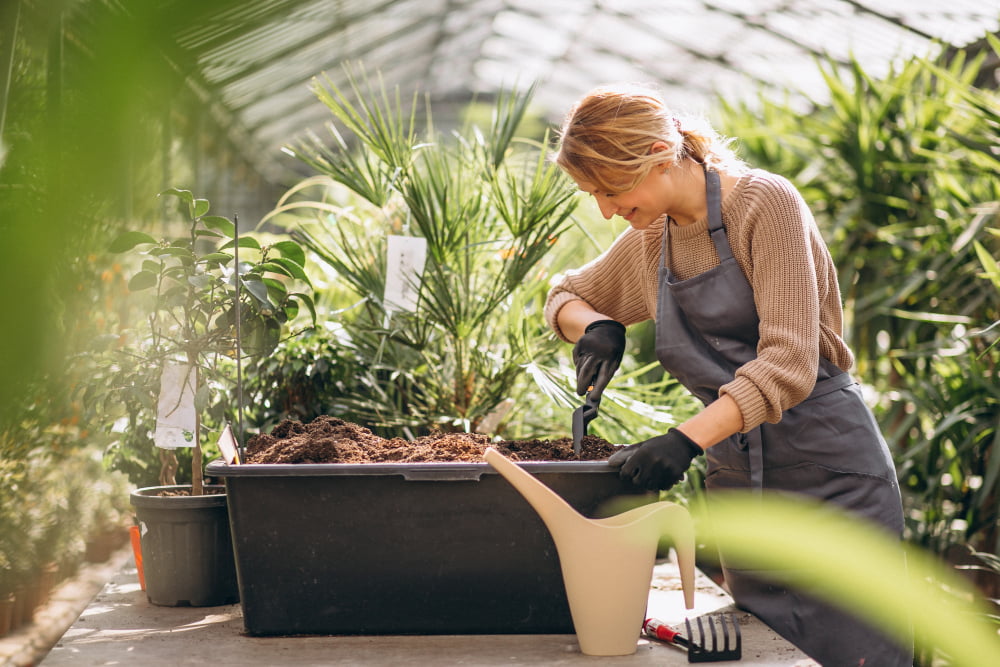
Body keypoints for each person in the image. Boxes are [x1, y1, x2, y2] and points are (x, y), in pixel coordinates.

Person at [545, 83, 913, 666]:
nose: (607, 211)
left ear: (658, 156)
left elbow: (789, 362)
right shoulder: (651, 242)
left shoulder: (764, 204)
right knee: (766, 654)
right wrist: (594, 325)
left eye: (611, 190)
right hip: (744, 490)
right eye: (595, 195)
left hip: (830, 476)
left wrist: (684, 439)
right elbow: (564, 293)